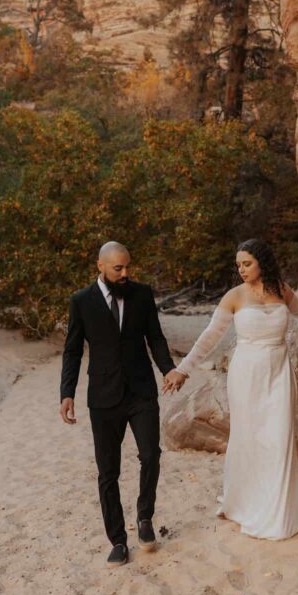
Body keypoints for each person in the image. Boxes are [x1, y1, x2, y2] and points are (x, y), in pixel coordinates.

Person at [163, 238, 298, 541]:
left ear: (261, 262)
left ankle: (279, 510)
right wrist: (183, 369)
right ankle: (246, 502)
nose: (241, 269)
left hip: (279, 370)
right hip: (246, 374)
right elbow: (209, 337)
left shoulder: (281, 290)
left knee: (279, 437)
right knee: (249, 436)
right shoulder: (234, 297)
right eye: (238, 264)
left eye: (247, 263)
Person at [59, 241, 178, 567]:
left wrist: (169, 369)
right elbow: (72, 350)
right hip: (103, 398)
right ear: (100, 266)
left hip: (141, 391)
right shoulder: (81, 301)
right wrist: (66, 392)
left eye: (128, 267)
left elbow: (155, 336)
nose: (125, 273)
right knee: (107, 472)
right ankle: (117, 540)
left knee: (151, 455)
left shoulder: (142, 293)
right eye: (118, 269)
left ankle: (144, 518)